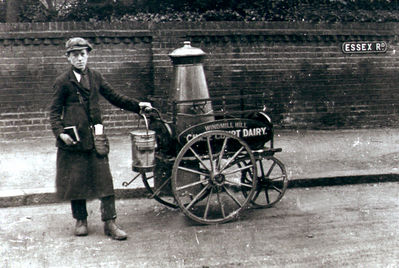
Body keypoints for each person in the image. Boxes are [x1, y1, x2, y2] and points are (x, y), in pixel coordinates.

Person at [49, 37, 151, 240]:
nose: (80, 59)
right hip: (74, 140)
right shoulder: (62, 82)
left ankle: (110, 222)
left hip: (96, 138)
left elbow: (115, 96)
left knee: (104, 179)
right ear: (68, 58)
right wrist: (61, 133)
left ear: (87, 56)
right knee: (76, 180)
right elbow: (54, 112)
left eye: (83, 54)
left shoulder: (96, 77)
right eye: (75, 55)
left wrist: (138, 106)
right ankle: (80, 220)